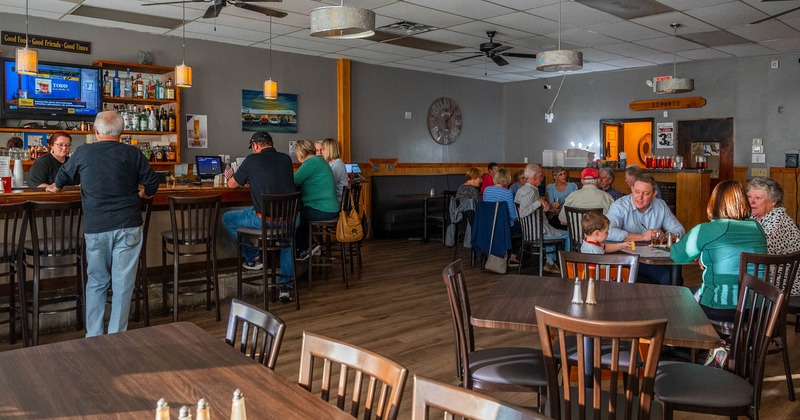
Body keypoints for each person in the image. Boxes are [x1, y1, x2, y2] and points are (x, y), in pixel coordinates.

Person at [46, 111, 160, 337]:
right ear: (122, 132)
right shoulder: (133, 153)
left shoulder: (83, 152)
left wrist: (55, 188)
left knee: (97, 283)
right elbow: (152, 183)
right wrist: (143, 194)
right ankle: (117, 337)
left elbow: (62, 177)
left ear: (96, 132)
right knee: (122, 285)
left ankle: (94, 337)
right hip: (128, 225)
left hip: (96, 227)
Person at [671, 180, 768, 319]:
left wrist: (702, 255)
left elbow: (677, 255)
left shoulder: (705, 230)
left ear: (714, 203)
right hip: (758, 309)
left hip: (720, 308)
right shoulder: (757, 228)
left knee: (679, 298)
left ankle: (692, 338)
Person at [223, 131, 296, 301]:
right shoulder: (286, 159)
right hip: (291, 219)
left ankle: (253, 257)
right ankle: (285, 288)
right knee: (287, 241)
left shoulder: (251, 159)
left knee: (227, 218)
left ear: (255, 145)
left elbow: (232, 185)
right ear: (270, 143)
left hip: (265, 220)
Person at [606, 174, 685, 284]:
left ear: (654, 194)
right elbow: (608, 232)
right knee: (668, 278)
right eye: (637, 192)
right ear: (632, 189)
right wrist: (642, 237)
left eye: (646, 193)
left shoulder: (660, 205)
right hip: (625, 258)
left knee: (674, 278)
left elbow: (679, 230)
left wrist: (665, 236)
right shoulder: (620, 206)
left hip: (652, 259)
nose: (640, 197)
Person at [747, 176, 800, 296]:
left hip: (783, 284)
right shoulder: (753, 218)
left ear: (773, 202)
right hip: (765, 277)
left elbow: (761, 254)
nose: (751, 202)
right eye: (749, 196)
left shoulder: (778, 222)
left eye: (758, 198)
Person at [515, 163, 568, 273]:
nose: (542, 179)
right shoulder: (530, 192)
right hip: (538, 233)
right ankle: (568, 266)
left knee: (552, 228)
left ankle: (550, 262)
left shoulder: (522, 190)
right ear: (535, 177)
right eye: (541, 177)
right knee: (568, 235)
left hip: (530, 232)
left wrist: (546, 206)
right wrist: (539, 202)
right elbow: (523, 212)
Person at [294, 139, 340, 260]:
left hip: (323, 210)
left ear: (300, 153)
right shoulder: (320, 161)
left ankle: (304, 249)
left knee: (295, 217)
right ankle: (311, 245)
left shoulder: (310, 163)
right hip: (331, 208)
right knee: (301, 214)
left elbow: (294, 180)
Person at [483, 168, 520, 266]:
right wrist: (516, 220)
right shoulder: (507, 193)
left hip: (488, 225)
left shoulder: (487, 190)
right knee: (520, 230)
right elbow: (512, 214)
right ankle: (513, 257)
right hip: (503, 226)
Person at [320, 138, 349, 203]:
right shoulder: (329, 163)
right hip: (332, 198)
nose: (321, 152)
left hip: (337, 200)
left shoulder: (338, 164)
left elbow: (330, 183)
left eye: (323, 149)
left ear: (329, 150)